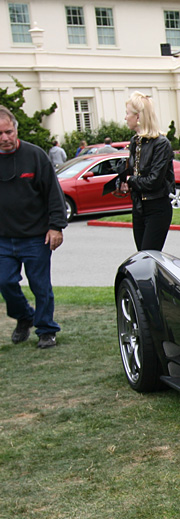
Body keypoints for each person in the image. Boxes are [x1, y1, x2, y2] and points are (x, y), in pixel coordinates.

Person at [0, 105, 66, 349]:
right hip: (3, 238)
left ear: (15, 129)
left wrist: (56, 226)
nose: (5, 138)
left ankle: (46, 330)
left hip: (36, 236)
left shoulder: (35, 155)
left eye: (8, 131)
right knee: (4, 282)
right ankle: (24, 316)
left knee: (40, 286)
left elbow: (53, 193)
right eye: (0, 134)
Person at [119, 91, 174, 252]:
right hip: (138, 206)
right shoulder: (135, 141)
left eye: (127, 113)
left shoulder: (161, 144)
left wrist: (129, 180)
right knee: (142, 257)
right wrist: (122, 180)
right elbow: (134, 173)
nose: (125, 117)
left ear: (138, 117)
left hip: (157, 207)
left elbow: (153, 181)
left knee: (148, 256)